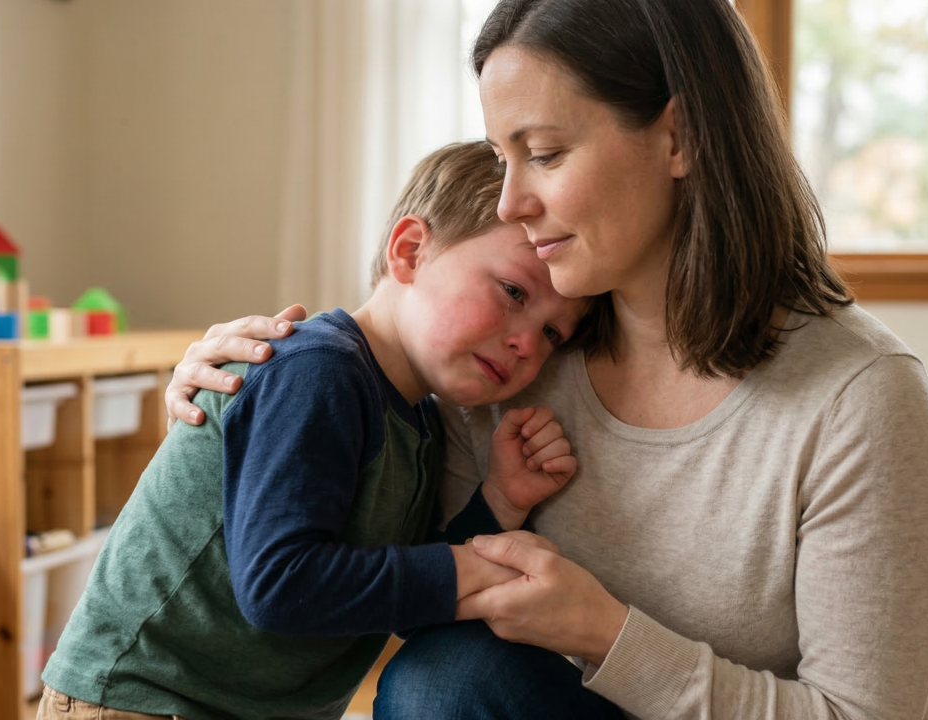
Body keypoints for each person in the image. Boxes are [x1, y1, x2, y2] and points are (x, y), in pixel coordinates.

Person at [165, 0, 928, 718]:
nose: (510, 202)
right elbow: (355, 465)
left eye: (542, 153)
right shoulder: (505, 364)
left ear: (680, 137)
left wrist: (608, 635)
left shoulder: (858, 395)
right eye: (501, 158)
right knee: (446, 678)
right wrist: (236, 393)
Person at [38, 141, 591, 720]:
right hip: (144, 700)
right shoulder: (317, 372)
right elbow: (281, 584)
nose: (527, 343)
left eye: (552, 334)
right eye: (512, 292)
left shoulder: (419, 418)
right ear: (410, 251)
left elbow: (402, 601)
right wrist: (470, 569)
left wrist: (498, 502)